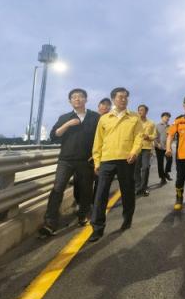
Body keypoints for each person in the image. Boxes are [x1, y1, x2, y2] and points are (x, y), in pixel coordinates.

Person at [39, 88, 99, 237]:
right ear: (70, 101)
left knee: (86, 189)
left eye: (80, 97)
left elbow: (102, 138)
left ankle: (83, 215)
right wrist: (67, 125)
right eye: (73, 97)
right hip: (66, 159)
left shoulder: (95, 117)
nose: (77, 99)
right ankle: (50, 223)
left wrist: (97, 156)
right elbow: (54, 136)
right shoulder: (64, 117)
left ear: (86, 99)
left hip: (86, 160)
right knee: (57, 189)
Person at [89, 87, 144, 242]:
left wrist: (134, 152)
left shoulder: (134, 117)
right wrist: (97, 160)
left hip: (126, 160)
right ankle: (97, 228)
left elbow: (139, 137)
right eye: (120, 97)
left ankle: (127, 219)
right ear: (113, 99)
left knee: (127, 192)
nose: (124, 99)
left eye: (126, 97)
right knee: (100, 194)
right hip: (106, 160)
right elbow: (98, 141)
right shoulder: (105, 118)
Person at [135, 104, 156, 197]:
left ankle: (144, 187)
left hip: (146, 148)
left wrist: (149, 137)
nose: (140, 112)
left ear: (146, 112)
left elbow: (154, 135)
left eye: (142, 110)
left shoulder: (151, 123)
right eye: (139, 110)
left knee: (145, 168)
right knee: (136, 168)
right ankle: (137, 186)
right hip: (136, 148)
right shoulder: (134, 122)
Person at [154, 112, 172, 184]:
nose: (167, 118)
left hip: (167, 148)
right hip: (159, 147)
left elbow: (172, 137)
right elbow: (154, 136)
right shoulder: (157, 126)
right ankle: (162, 178)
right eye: (165, 117)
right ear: (162, 117)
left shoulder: (170, 127)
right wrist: (157, 144)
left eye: (168, 117)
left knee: (170, 160)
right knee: (160, 163)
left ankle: (166, 172)